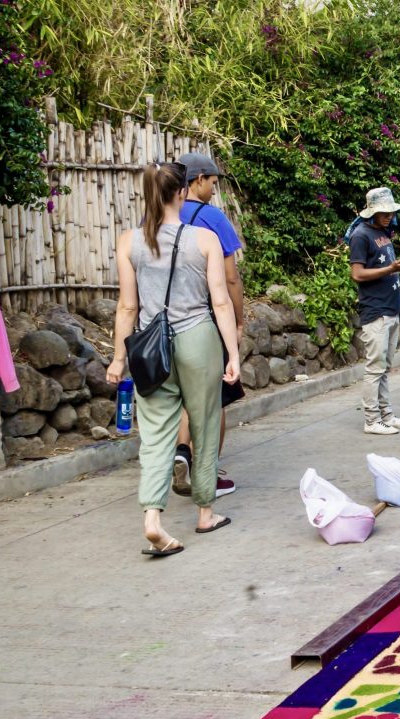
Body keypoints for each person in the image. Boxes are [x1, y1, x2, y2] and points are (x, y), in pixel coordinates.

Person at [105, 161, 240, 557]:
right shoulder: (204, 239)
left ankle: (152, 520)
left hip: (151, 343)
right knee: (204, 423)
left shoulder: (129, 240)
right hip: (198, 338)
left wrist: (117, 359)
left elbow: (127, 307)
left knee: (156, 433)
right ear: (182, 191)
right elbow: (220, 300)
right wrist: (232, 353)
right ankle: (204, 513)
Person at [171, 152, 244, 499]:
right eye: (213, 183)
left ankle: (181, 451)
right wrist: (239, 321)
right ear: (197, 180)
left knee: (186, 394)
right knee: (215, 397)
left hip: (167, 317)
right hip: (207, 318)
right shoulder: (213, 219)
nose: (214, 190)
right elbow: (230, 281)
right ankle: (208, 474)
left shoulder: (158, 217)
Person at [349, 187, 400, 435]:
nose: (388, 215)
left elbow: (389, 270)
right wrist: (390, 269)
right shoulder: (361, 235)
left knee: (384, 368)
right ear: (372, 212)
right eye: (383, 212)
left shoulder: (384, 234)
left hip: (391, 309)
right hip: (375, 312)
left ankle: (386, 415)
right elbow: (357, 274)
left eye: (390, 211)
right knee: (375, 368)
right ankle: (371, 419)